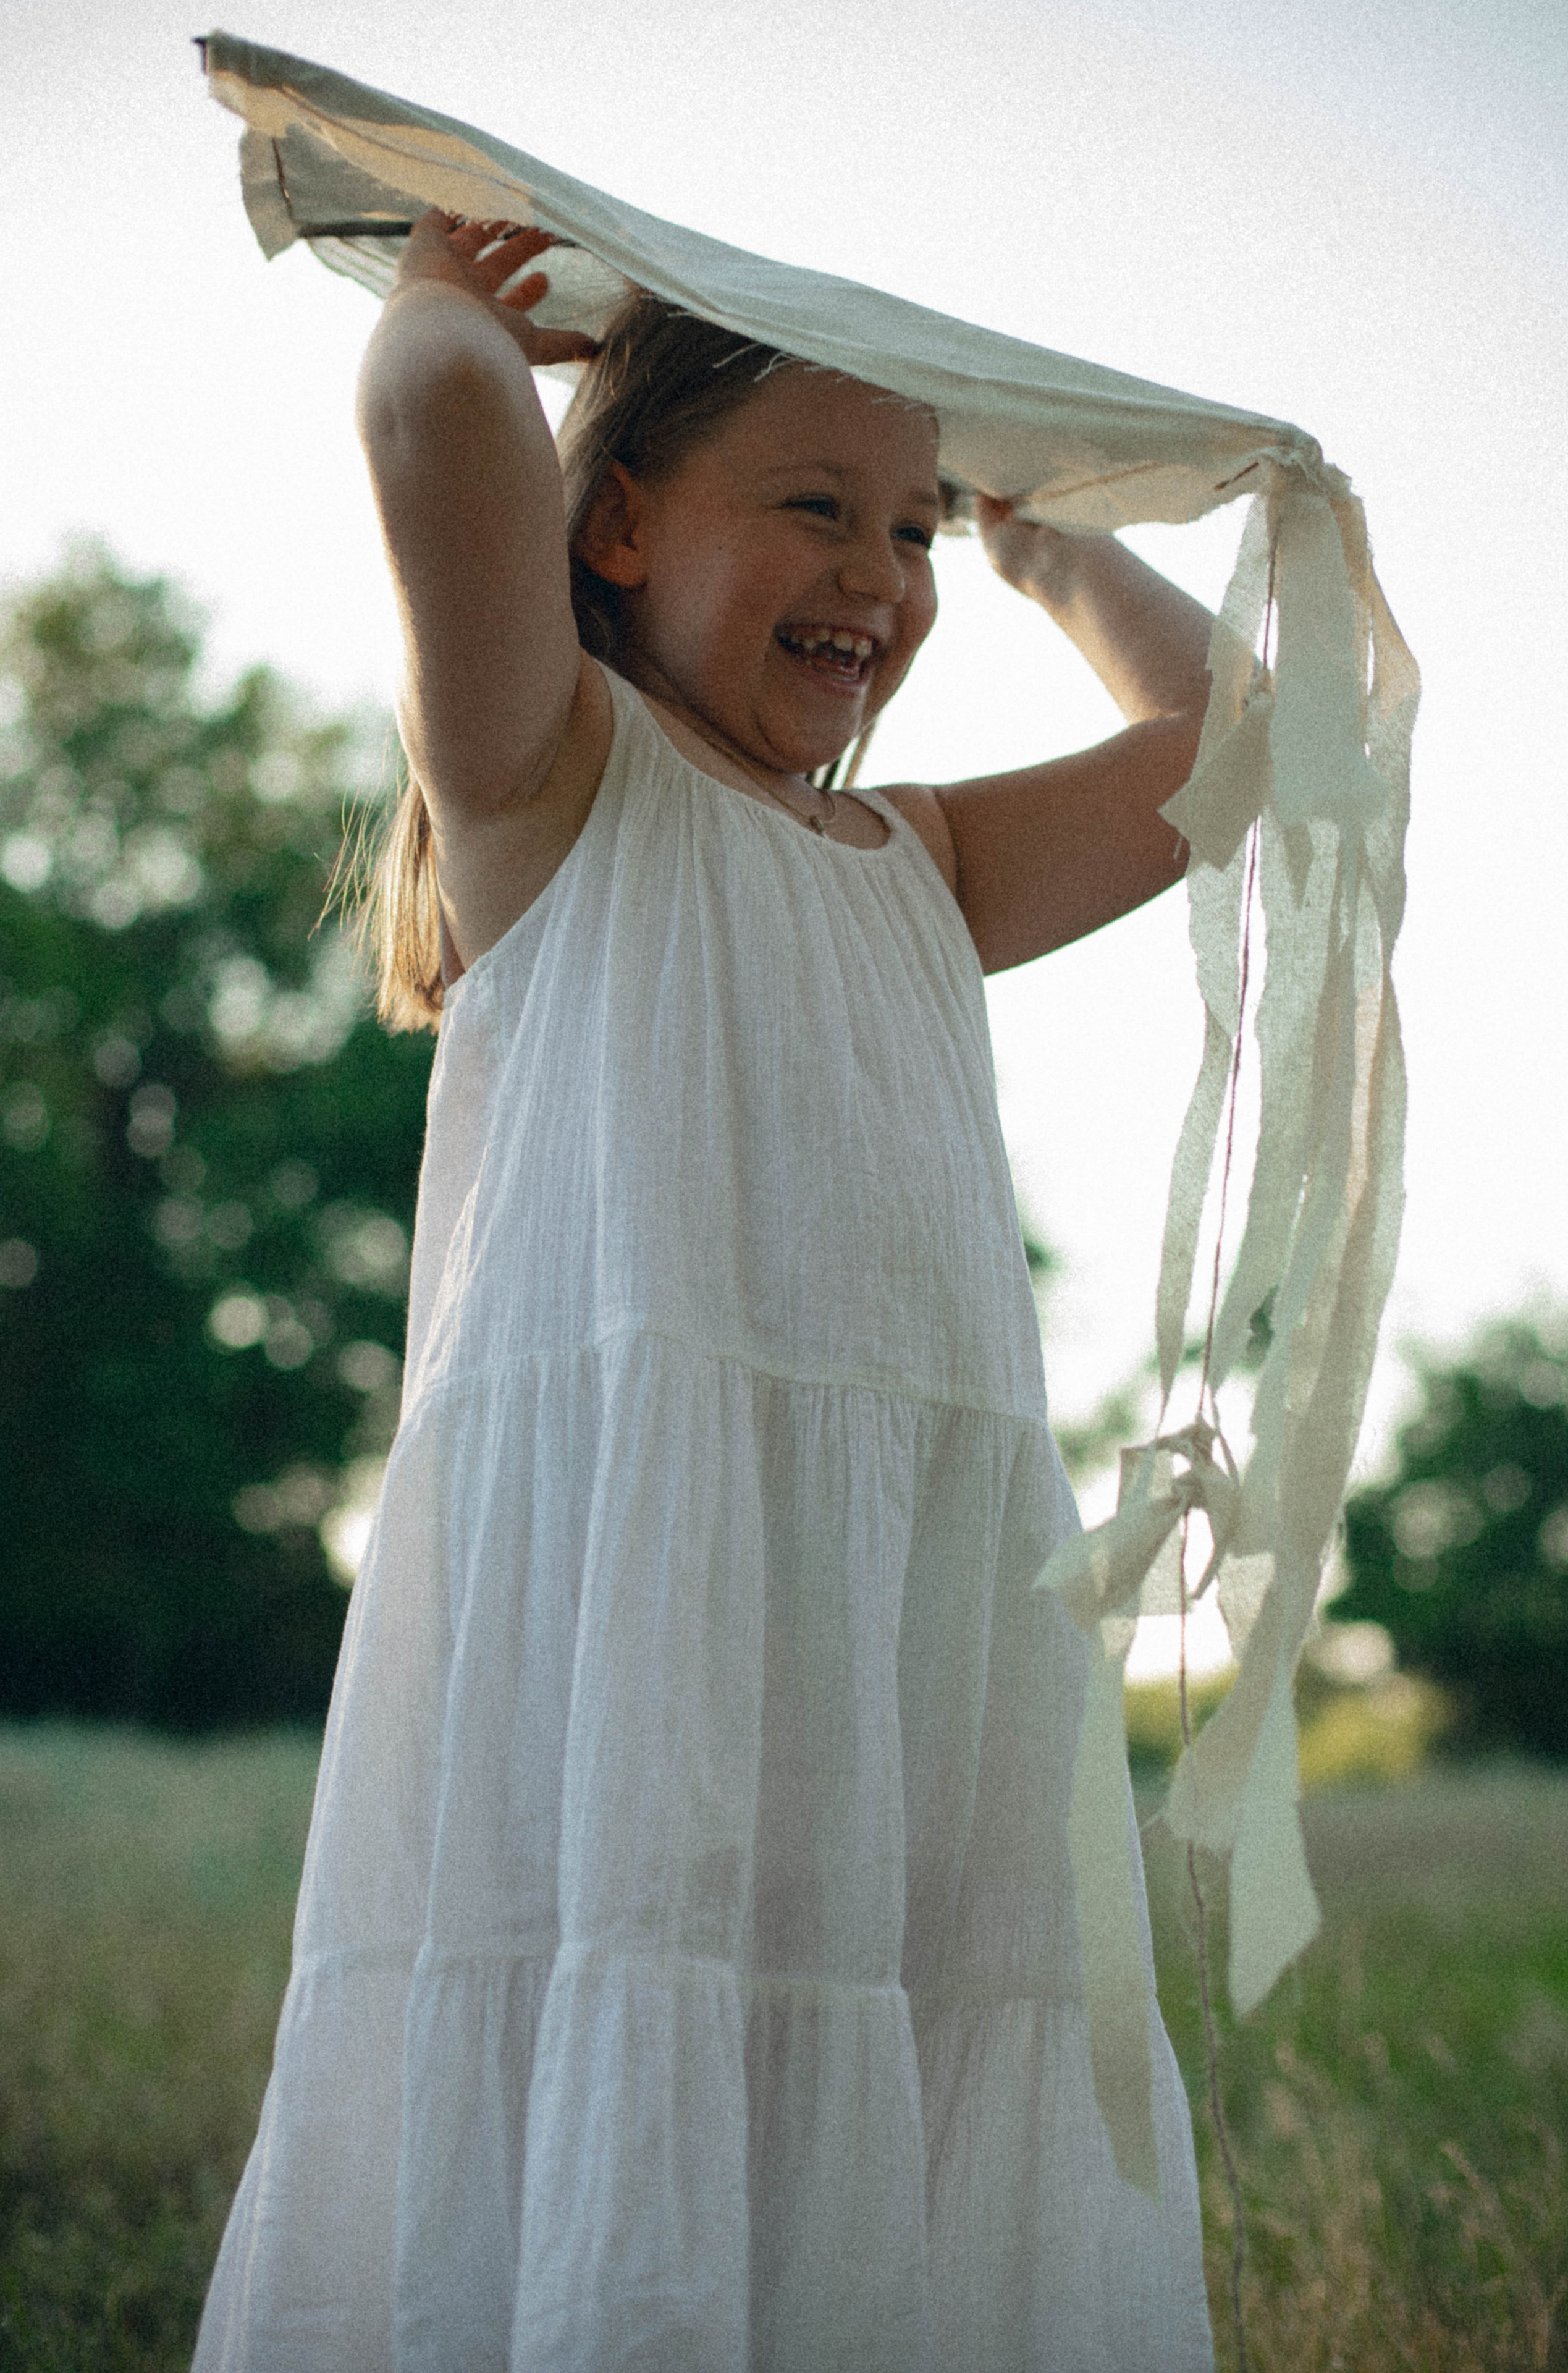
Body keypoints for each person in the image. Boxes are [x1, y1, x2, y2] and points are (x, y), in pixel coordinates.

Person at [194, 209, 1216, 2372]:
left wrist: (1038, 537)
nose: (879, 575)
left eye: (912, 530)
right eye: (818, 510)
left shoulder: (921, 865)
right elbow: (437, 441)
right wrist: (449, 316)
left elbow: (1237, 745)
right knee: (631, 2002)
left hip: (900, 1616)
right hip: (630, 1614)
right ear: (627, 521)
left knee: (892, 2061)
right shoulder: (554, 781)